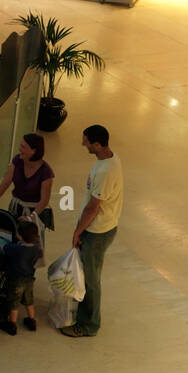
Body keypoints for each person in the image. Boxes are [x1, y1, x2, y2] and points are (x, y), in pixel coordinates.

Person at [62, 125, 123, 339]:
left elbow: (93, 207)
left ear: (97, 144)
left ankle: (88, 325)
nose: (83, 144)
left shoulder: (106, 171)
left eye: (86, 141)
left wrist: (78, 231)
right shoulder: (109, 159)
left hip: (97, 231)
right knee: (90, 275)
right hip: (99, 227)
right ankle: (84, 316)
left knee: (91, 279)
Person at [0, 132, 54, 227]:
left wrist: (30, 218)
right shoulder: (17, 160)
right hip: (16, 207)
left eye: (23, 147)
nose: (19, 149)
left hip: (35, 212)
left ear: (33, 151)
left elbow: (44, 200)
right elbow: (6, 182)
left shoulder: (46, 172)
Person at [0, 220, 42, 335]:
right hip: (30, 279)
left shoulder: (16, 249)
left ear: (20, 236)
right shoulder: (36, 249)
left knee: (13, 303)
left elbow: (5, 248)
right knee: (29, 300)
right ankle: (31, 320)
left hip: (16, 281)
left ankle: (12, 324)